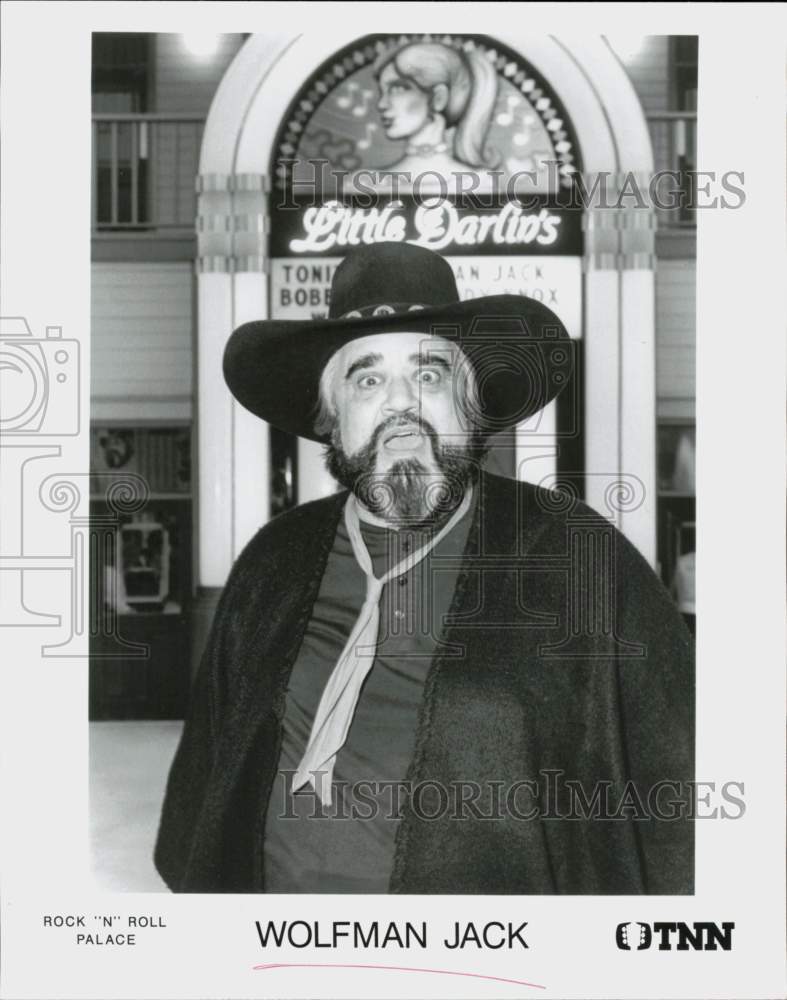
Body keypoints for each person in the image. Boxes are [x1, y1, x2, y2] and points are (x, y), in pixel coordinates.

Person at [154, 242, 694, 894]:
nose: (400, 402)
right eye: (367, 378)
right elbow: (211, 774)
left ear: (470, 408)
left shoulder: (578, 555)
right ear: (331, 420)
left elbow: (678, 785)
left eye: (431, 374)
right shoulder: (276, 558)